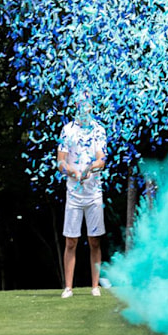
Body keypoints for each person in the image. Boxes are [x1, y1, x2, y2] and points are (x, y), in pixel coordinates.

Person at [57, 92, 107, 298]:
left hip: (94, 193)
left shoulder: (98, 130)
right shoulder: (67, 130)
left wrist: (90, 168)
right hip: (74, 194)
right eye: (81, 104)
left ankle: (95, 286)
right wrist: (73, 172)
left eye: (88, 104)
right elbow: (61, 162)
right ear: (76, 105)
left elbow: (101, 160)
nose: (85, 107)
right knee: (71, 241)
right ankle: (68, 287)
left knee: (95, 241)